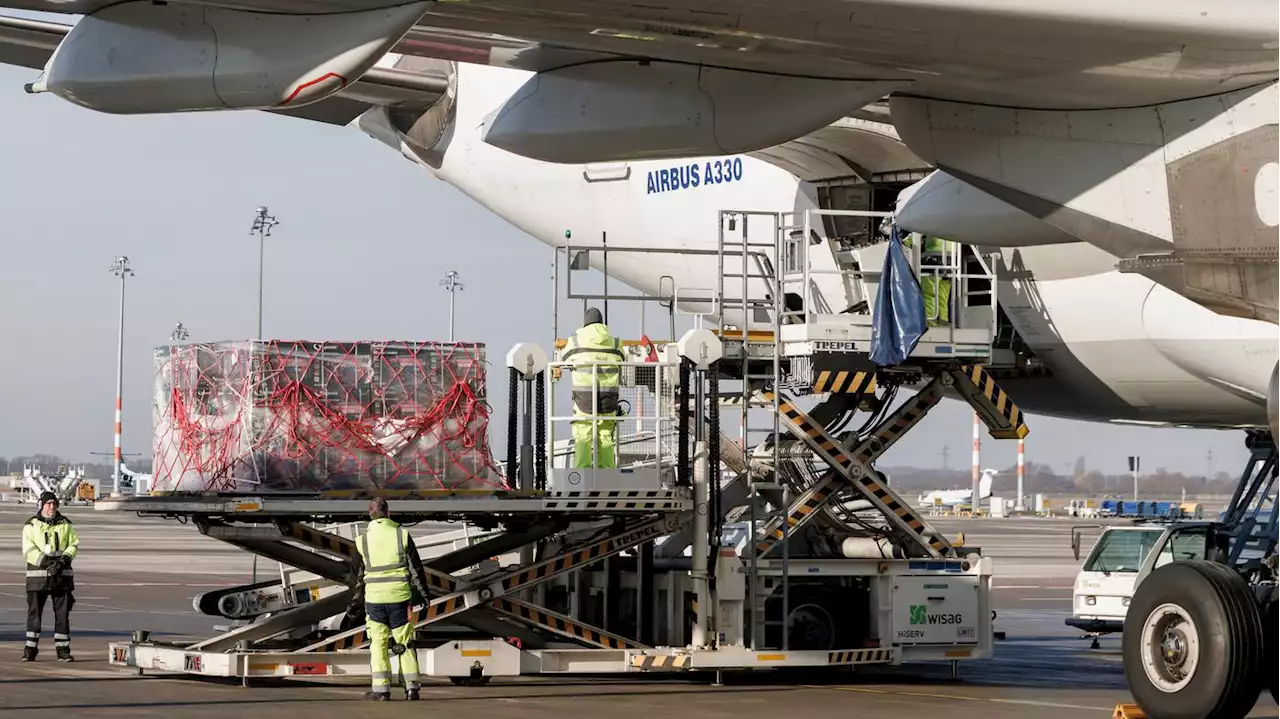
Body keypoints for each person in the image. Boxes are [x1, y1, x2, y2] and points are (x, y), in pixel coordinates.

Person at [350, 498, 428, 701]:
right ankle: (412, 688)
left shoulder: (362, 541)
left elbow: (357, 578)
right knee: (405, 641)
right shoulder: (402, 534)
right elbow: (416, 569)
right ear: (388, 513)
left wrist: (353, 604)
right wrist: (425, 596)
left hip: (375, 600)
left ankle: (382, 690)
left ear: (370, 513)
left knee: (378, 643)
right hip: (400, 598)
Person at [561, 307, 625, 468]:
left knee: (583, 436)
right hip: (608, 398)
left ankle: (582, 474)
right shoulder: (616, 343)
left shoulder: (575, 341)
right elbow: (623, 358)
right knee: (605, 436)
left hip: (584, 398)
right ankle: (608, 474)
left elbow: (564, 358)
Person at [22, 491, 79, 662]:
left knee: (62, 615)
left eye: (54, 503)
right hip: (37, 577)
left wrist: (63, 561)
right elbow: (28, 550)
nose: (51, 507)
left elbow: (74, 544)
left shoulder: (66, 524)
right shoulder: (31, 526)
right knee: (34, 614)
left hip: (62, 577)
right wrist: (47, 563)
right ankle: (30, 650)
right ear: (41, 505)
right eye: (48, 504)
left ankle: (63, 650)